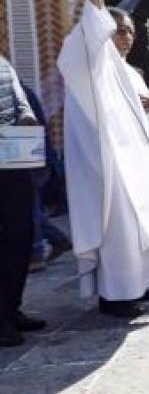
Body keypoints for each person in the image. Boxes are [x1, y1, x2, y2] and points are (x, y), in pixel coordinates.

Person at [58, 0, 149, 318]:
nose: (126, 36)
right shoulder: (93, 66)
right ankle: (115, 296)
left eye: (128, 30)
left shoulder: (132, 74)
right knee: (120, 231)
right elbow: (85, 48)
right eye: (117, 30)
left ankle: (138, 284)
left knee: (142, 229)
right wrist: (94, 7)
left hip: (139, 165)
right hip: (110, 168)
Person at [0, 55, 46, 346]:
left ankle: (11, 308)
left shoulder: (3, 62)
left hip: (12, 157)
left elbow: (19, 97)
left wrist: (27, 115)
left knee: (21, 233)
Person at [24, 85, 72, 272]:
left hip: (28, 158)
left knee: (27, 206)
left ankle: (36, 254)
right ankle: (58, 240)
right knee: (28, 205)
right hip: (31, 156)